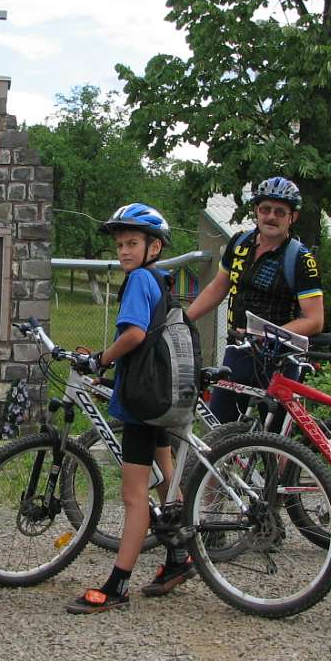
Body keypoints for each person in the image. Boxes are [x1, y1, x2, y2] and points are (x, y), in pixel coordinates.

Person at [67, 203, 194, 614]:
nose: (123, 250)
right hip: (161, 396)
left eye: (132, 243)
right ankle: (179, 558)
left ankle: (118, 584)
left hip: (142, 403)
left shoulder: (140, 279)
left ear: (153, 247)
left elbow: (135, 334)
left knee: (134, 494)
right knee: (165, 480)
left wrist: (101, 358)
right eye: (120, 244)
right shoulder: (161, 280)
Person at [186, 176, 324, 422]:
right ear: (256, 212)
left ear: (292, 218)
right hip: (239, 351)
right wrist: (183, 319)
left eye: (280, 212)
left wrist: (268, 335)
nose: (271, 216)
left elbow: (314, 320)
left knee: (275, 444)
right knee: (219, 431)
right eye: (265, 209)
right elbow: (218, 287)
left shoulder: (301, 259)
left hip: (280, 358)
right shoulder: (239, 244)